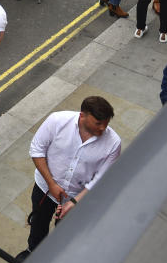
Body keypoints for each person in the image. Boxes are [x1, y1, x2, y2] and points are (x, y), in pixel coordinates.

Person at [24, 97, 121, 253]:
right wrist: (51, 184)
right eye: (98, 123)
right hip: (45, 189)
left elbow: (102, 178)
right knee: (38, 225)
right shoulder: (56, 121)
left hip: (78, 197)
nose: (103, 128)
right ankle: (32, 252)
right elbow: (37, 150)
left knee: (65, 234)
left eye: (106, 123)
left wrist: (75, 201)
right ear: (82, 115)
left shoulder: (113, 143)